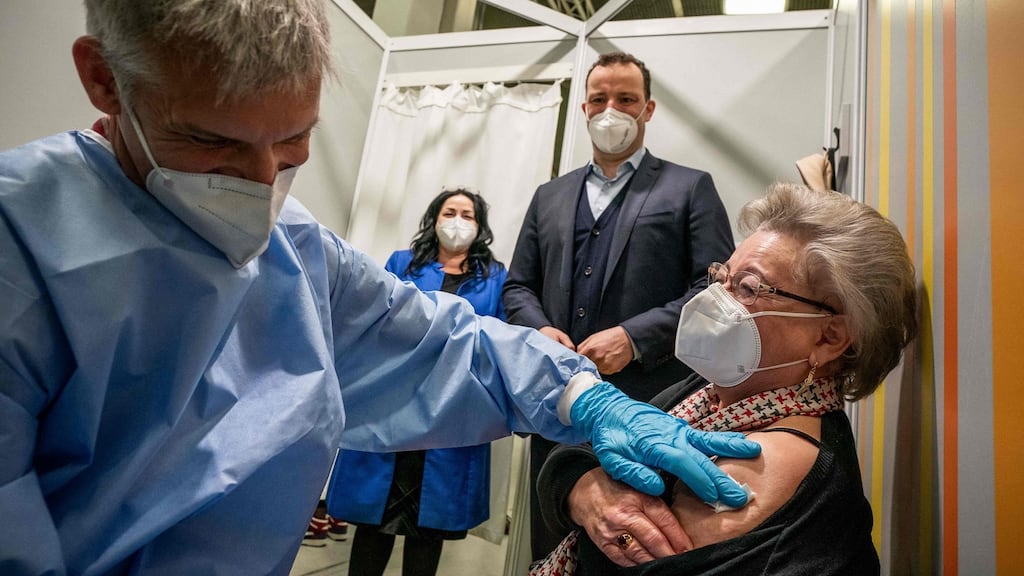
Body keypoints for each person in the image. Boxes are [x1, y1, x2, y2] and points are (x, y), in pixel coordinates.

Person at [0, 2, 763, 574]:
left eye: (294, 143)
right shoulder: (22, 250)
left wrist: (577, 395)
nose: (262, 183)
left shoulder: (295, 249)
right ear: (105, 80)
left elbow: (436, 341)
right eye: (213, 143)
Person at [532, 182, 919, 575]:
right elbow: (574, 453)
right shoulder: (715, 391)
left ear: (829, 336)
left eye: (748, 287)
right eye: (722, 277)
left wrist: (589, 490)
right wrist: (586, 490)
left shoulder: (770, 460)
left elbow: (609, 558)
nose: (714, 297)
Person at [501, 51, 735, 560]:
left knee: (635, 544)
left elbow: (716, 289)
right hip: (557, 404)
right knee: (551, 541)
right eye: (601, 98)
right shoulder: (549, 196)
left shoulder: (689, 187)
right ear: (584, 108)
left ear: (647, 109)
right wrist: (538, 330)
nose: (612, 109)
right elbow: (517, 286)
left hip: (649, 406)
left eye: (626, 99)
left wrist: (634, 338)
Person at [327, 188, 506, 576]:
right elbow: (380, 320)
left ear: (479, 226)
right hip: (395, 403)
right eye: (449, 211)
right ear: (434, 217)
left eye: (467, 214)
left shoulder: (494, 276)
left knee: (429, 530)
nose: (457, 221)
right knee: (374, 523)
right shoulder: (403, 263)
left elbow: (496, 338)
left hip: (449, 412)